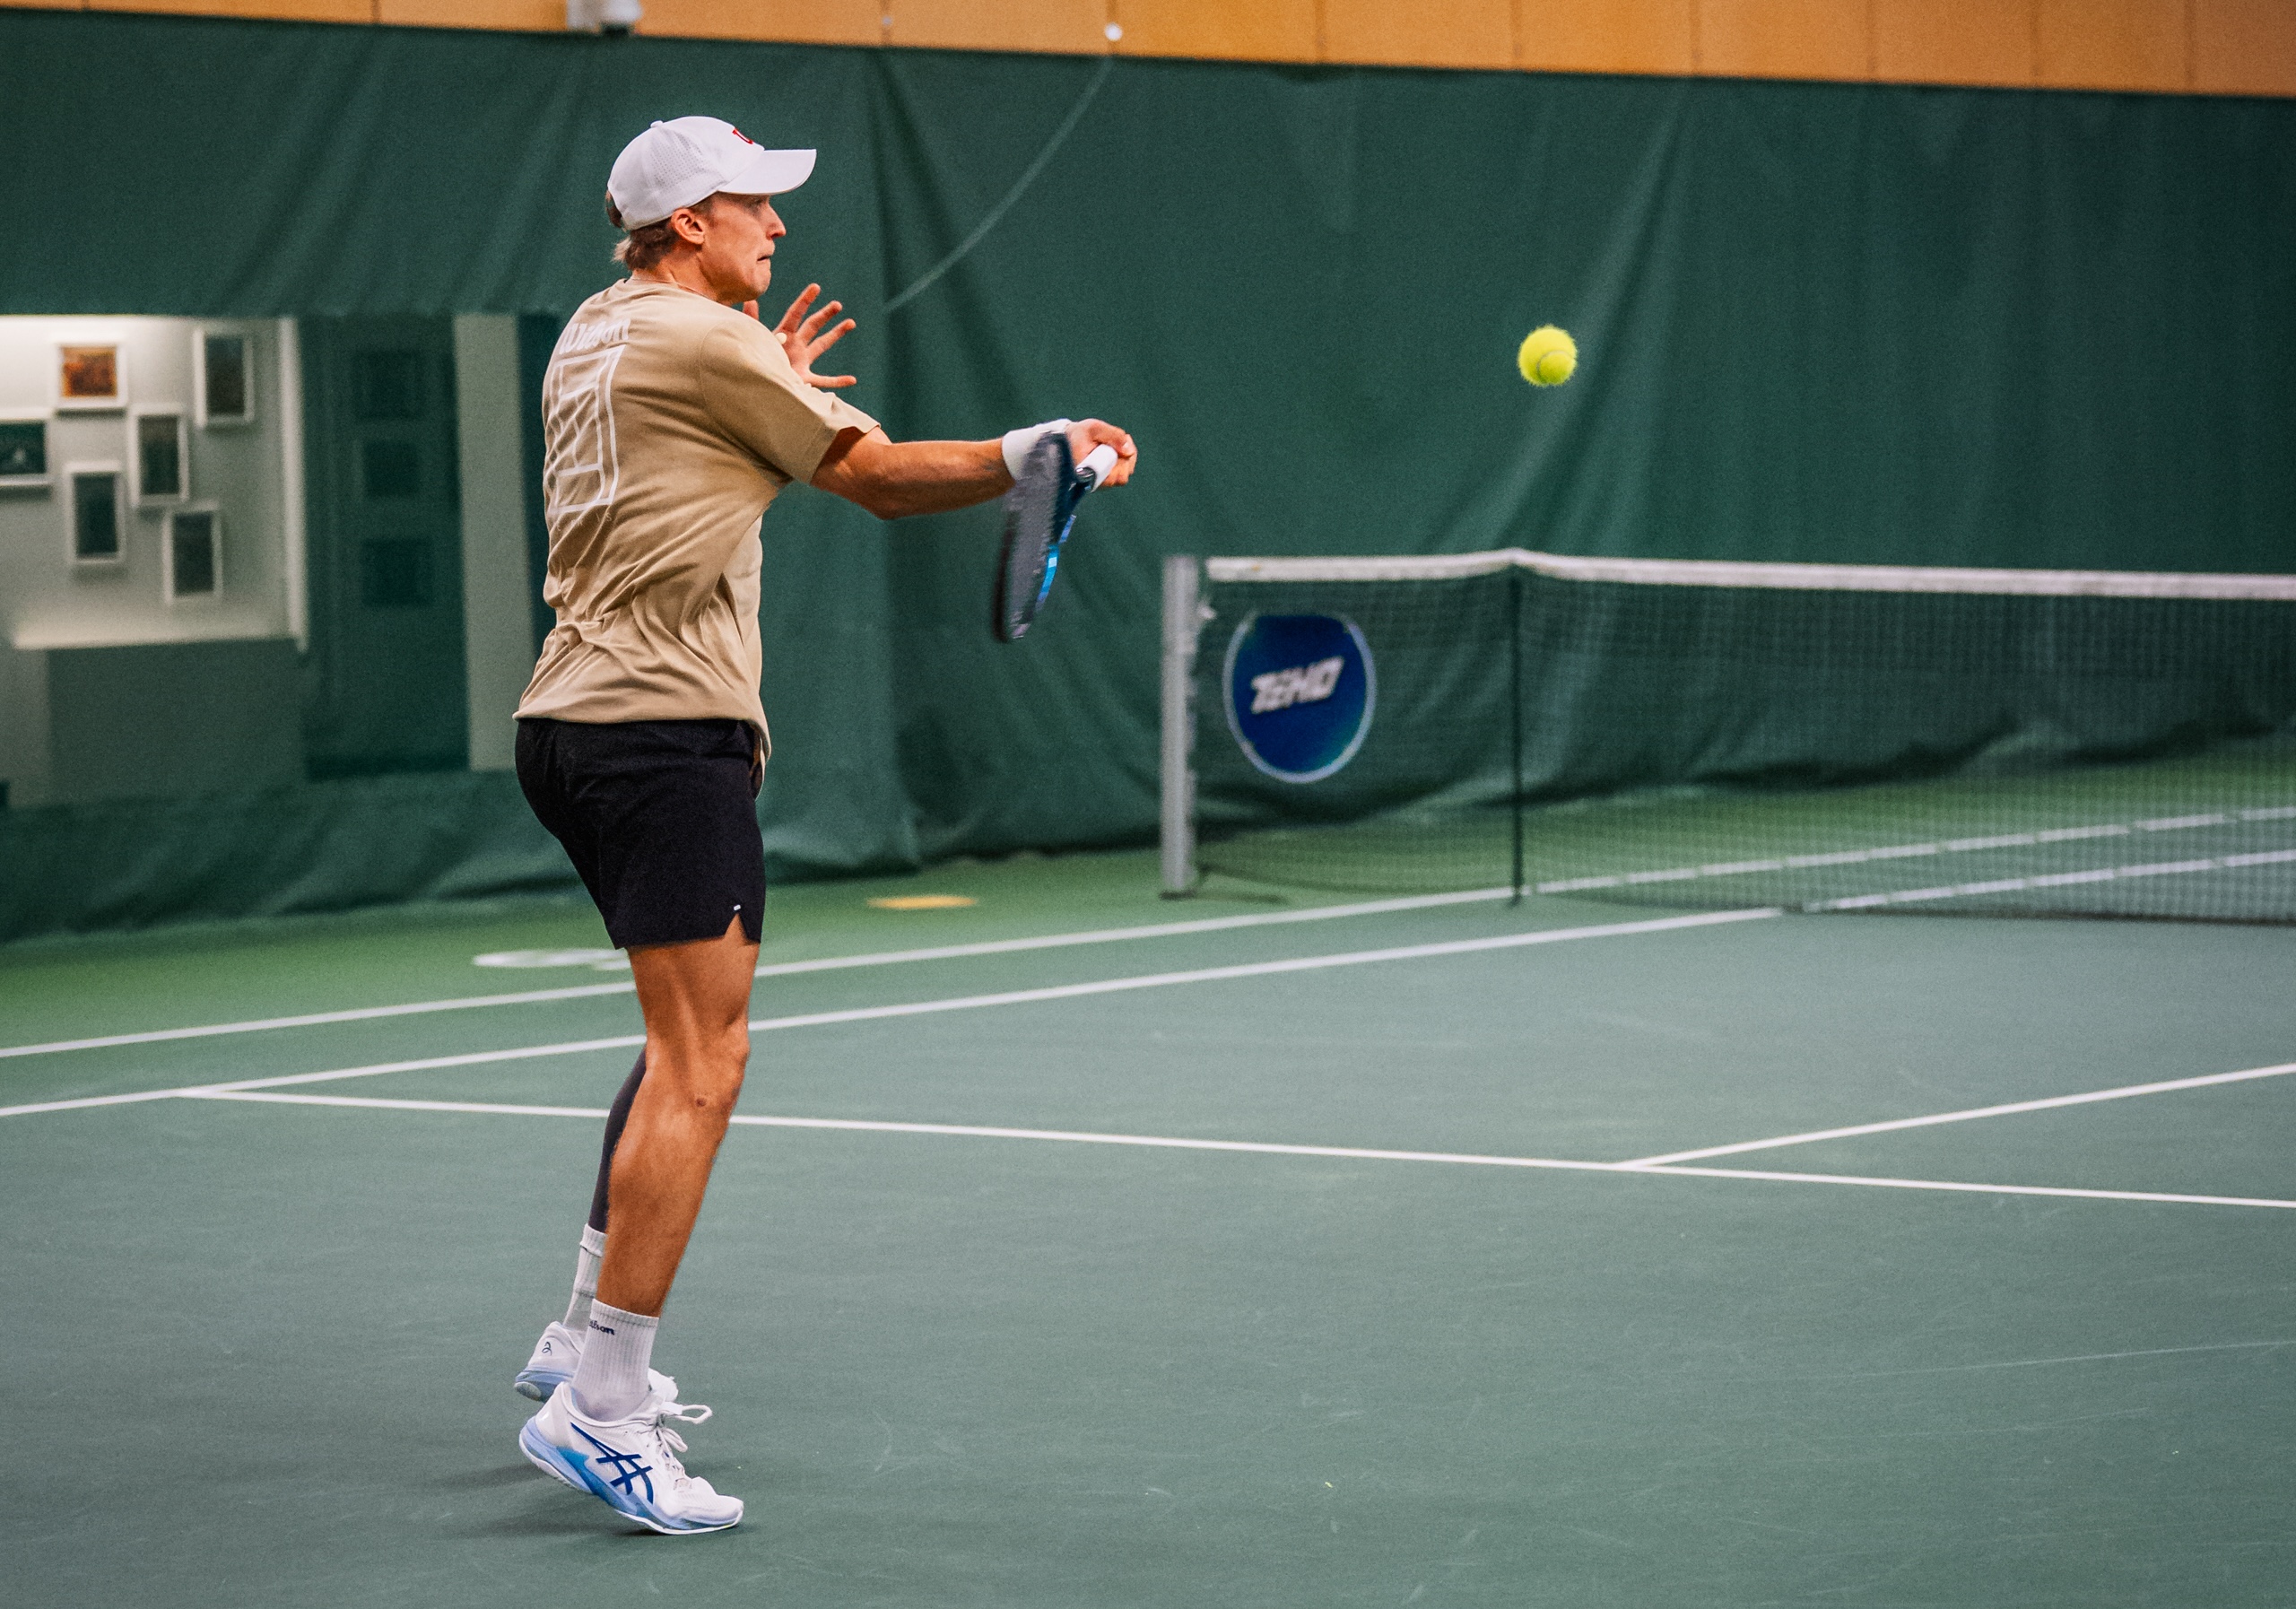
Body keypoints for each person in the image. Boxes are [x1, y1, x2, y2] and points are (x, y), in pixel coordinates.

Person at [509, 115, 1136, 1535]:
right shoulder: (708, 345)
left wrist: (767, 374)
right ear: (688, 224)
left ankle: (575, 1332)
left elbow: (693, 434)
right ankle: (602, 1403)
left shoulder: (598, 334)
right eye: (753, 204)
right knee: (705, 1062)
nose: (776, 224)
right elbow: (880, 478)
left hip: (570, 725)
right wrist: (1041, 450)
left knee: (672, 1047)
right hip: (663, 731)